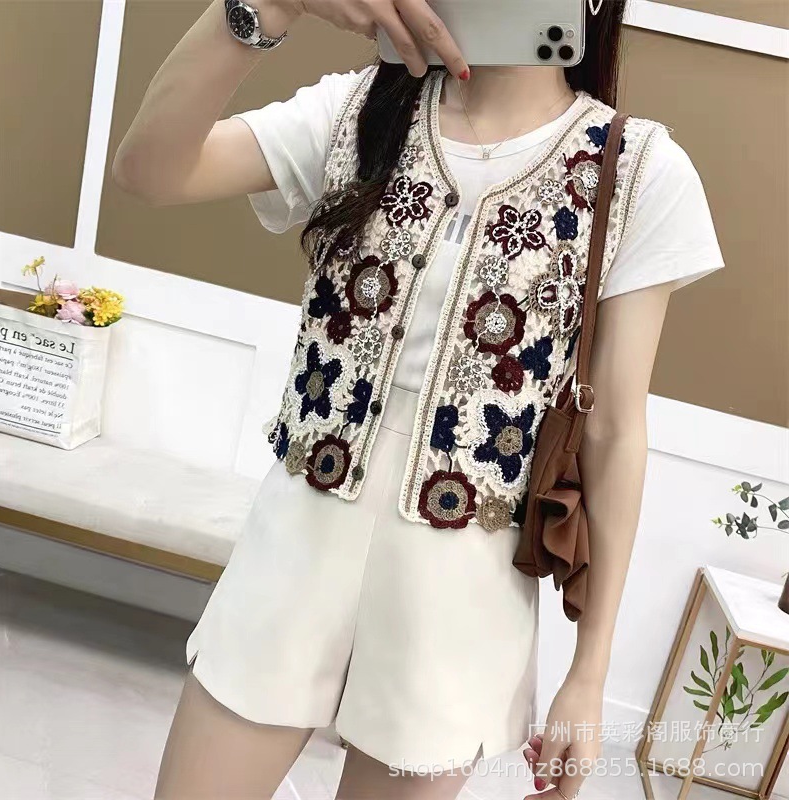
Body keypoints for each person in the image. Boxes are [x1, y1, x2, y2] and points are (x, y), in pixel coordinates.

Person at [113, 0, 724, 798]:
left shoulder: (638, 171)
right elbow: (150, 171)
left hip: (457, 610)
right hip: (288, 565)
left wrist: (589, 670)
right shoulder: (356, 110)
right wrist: (269, 4)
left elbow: (613, 429)